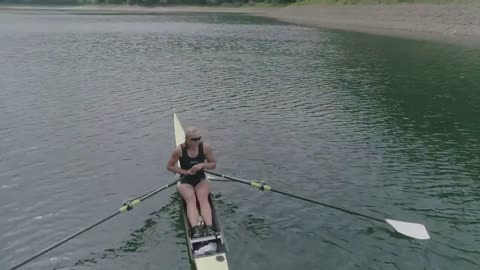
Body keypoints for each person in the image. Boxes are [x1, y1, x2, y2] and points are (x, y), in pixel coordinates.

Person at [166, 127, 217, 238]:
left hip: (201, 178)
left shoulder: (205, 147)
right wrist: (185, 171)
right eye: (194, 139)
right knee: (190, 199)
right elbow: (169, 166)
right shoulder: (178, 150)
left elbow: (213, 164)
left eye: (199, 138)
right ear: (187, 139)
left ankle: (210, 228)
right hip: (185, 179)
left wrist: (202, 165)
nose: (197, 141)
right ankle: (195, 229)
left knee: (203, 198)